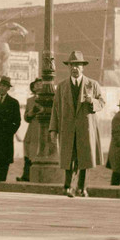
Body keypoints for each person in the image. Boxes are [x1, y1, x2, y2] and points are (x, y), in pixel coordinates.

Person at [49, 50, 105, 197]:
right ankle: (68, 186)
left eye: (78, 65)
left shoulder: (92, 84)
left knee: (84, 159)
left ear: (83, 67)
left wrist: (92, 101)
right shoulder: (62, 87)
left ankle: (81, 188)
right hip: (67, 128)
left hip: (86, 128)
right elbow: (55, 109)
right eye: (72, 65)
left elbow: (102, 102)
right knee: (69, 158)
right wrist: (53, 129)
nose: (74, 68)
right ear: (68, 67)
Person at [17, 78, 42, 182]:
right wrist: (32, 112)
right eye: (36, 84)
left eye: (41, 84)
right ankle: (26, 175)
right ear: (33, 88)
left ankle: (36, 176)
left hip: (42, 129)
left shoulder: (49, 99)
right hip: (32, 129)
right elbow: (26, 118)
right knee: (28, 151)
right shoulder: (30, 100)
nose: (39, 86)